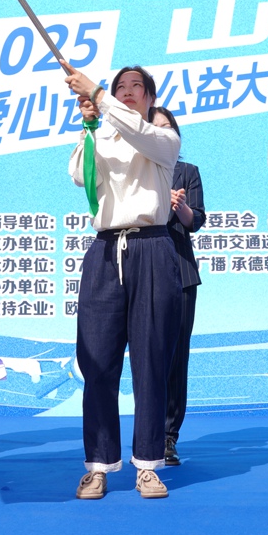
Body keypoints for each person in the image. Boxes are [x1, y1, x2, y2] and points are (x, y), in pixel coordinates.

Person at [62, 63, 185, 500]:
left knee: (151, 361)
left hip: (152, 247)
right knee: (97, 360)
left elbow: (138, 133)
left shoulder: (162, 139)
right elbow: (80, 176)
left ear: (150, 98)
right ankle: (99, 465)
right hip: (105, 248)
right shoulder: (102, 135)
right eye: (121, 87)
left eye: (137, 87)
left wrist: (99, 95)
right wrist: (89, 126)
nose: (128, 91)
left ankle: (148, 465)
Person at [150, 106, 206, 466]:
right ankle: (146, 434)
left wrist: (180, 206)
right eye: (154, 128)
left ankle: (169, 436)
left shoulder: (187, 172)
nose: (162, 134)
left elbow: (194, 220)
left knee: (176, 357)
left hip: (181, 271)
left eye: (168, 128)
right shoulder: (133, 170)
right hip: (143, 269)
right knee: (147, 354)